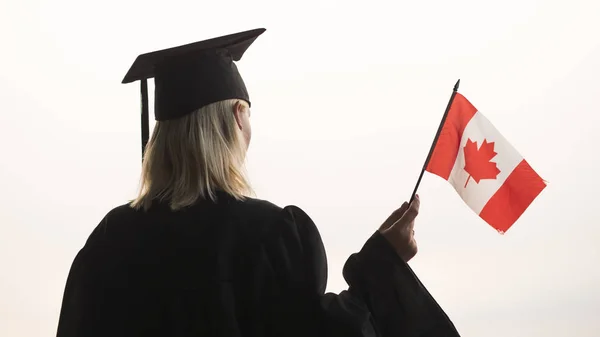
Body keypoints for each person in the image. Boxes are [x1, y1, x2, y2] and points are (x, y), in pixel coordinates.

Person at [56, 28, 461, 337]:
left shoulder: (109, 242)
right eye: (248, 113)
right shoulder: (270, 237)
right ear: (235, 118)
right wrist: (381, 265)